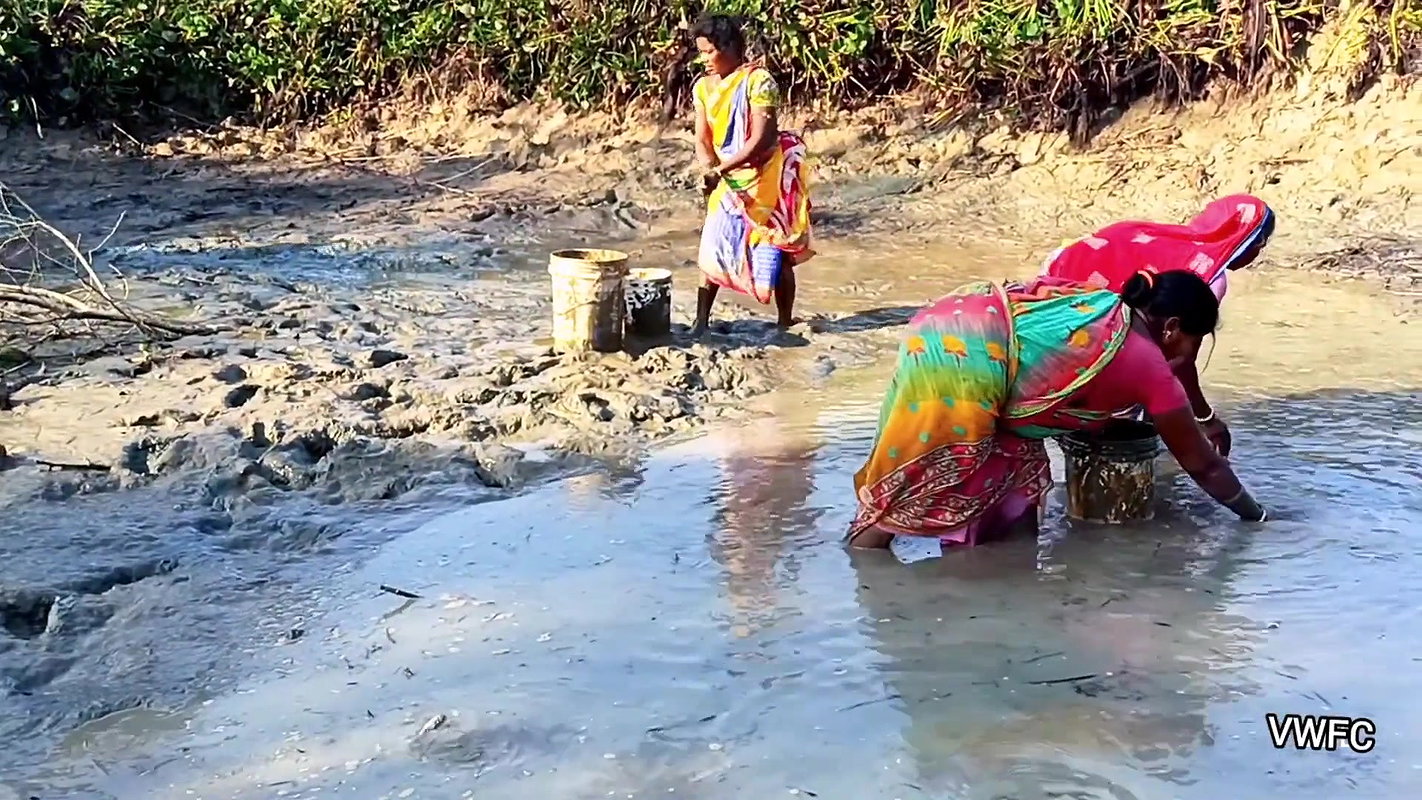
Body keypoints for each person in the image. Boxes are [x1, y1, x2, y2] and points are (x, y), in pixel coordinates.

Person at [848, 271, 1268, 551]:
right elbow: (1204, 466)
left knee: (1022, 475)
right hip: (960, 358)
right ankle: (861, 570)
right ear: (1173, 327)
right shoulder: (1150, 366)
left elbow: (1051, 379)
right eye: (1195, 341)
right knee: (915, 484)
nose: (1190, 354)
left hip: (953, 323)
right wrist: (1258, 516)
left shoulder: (1103, 308)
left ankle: (1002, 582)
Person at [1039, 194, 1276, 455]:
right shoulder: (1208, 276)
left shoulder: (1150, 234)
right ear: (1247, 241)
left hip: (1054, 310)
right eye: (1260, 245)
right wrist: (1206, 420)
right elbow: (1180, 361)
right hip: (1107, 337)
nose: (1257, 253)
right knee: (1131, 406)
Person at [687, 14, 813, 337]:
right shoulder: (702, 88)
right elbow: (702, 137)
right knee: (712, 243)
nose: (703, 60)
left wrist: (722, 168)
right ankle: (701, 321)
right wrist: (707, 167)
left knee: (776, 247)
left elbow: (764, 138)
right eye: (700, 52)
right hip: (726, 178)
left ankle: (785, 321)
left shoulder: (759, 82)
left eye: (708, 52)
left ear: (729, 48)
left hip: (764, 176)